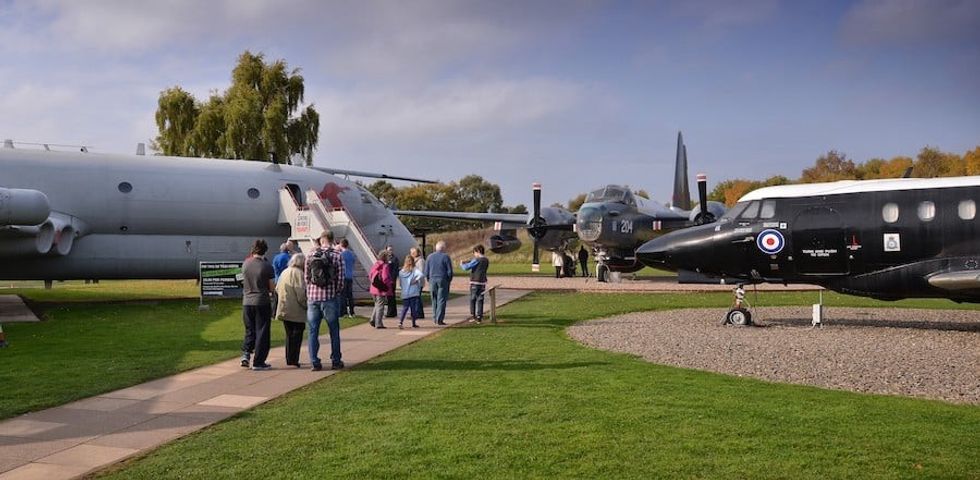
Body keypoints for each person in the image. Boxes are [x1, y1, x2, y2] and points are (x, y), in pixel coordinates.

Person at [305, 231, 346, 371]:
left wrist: (310, 291)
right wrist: (336, 291)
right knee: (334, 330)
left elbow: (306, 277)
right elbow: (341, 278)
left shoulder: (310, 255)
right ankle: (336, 360)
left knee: (312, 331)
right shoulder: (336, 255)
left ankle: (314, 361)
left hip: (313, 298)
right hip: (329, 297)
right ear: (332, 239)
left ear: (321, 239)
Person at [241, 239, 275, 370]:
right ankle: (259, 361)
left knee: (250, 329)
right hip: (261, 300)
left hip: (247, 301)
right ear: (265, 250)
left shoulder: (245, 264)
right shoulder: (266, 266)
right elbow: (272, 287)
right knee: (262, 331)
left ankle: (246, 354)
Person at [275, 253, 307, 368]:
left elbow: (277, 288)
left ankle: (289, 358)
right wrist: (306, 305)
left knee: (289, 335)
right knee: (297, 335)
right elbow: (301, 293)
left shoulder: (285, 272)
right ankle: (293, 359)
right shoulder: (299, 274)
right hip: (296, 310)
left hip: (284, 307)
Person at [423, 240, 453, 325]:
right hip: (442, 279)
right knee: (442, 299)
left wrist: (429, 279)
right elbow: (449, 271)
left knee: (434, 299)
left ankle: (435, 317)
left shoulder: (429, 257)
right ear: (443, 248)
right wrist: (449, 280)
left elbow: (426, 271)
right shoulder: (445, 257)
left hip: (432, 279)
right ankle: (439, 318)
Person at [461, 244, 489, 323]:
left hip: (474, 282)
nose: (474, 255)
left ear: (478, 251)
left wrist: (462, 264)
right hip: (482, 282)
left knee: (473, 299)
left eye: (474, 253)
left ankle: (473, 315)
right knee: (480, 299)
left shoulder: (477, 260)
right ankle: (479, 316)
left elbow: (466, 267)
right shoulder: (486, 260)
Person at [368, 251, 393, 329]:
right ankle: (378, 323)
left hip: (373, 287)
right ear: (385, 257)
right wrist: (389, 283)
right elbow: (385, 277)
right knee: (380, 306)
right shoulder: (385, 266)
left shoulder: (376, 264)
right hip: (381, 289)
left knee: (377, 304)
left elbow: (370, 275)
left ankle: (373, 319)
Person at [397, 256, 423, 328]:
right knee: (413, 308)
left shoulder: (401, 272)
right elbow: (421, 275)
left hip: (405, 292)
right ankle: (413, 323)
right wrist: (416, 280)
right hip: (413, 291)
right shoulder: (414, 269)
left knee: (405, 308)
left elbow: (400, 283)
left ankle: (400, 322)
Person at [339, 239, 356, 317]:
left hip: (343, 276)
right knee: (350, 295)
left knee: (343, 295)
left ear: (341, 245)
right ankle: (352, 312)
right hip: (350, 276)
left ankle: (344, 312)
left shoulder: (341, 254)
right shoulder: (352, 254)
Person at [410, 247, 426, 319]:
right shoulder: (414, 261)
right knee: (416, 298)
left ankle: (418, 314)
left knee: (417, 298)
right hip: (414, 282)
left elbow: (421, 272)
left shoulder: (420, 261)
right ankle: (419, 313)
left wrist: (415, 279)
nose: (411, 254)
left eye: (412, 253)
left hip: (418, 283)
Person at [384, 245, 399, 318]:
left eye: (391, 249)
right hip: (387, 280)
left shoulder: (394, 259)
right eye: (389, 250)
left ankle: (391, 312)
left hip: (391, 281)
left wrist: (392, 280)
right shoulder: (386, 259)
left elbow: (395, 270)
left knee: (391, 296)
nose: (390, 251)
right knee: (389, 297)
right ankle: (392, 312)